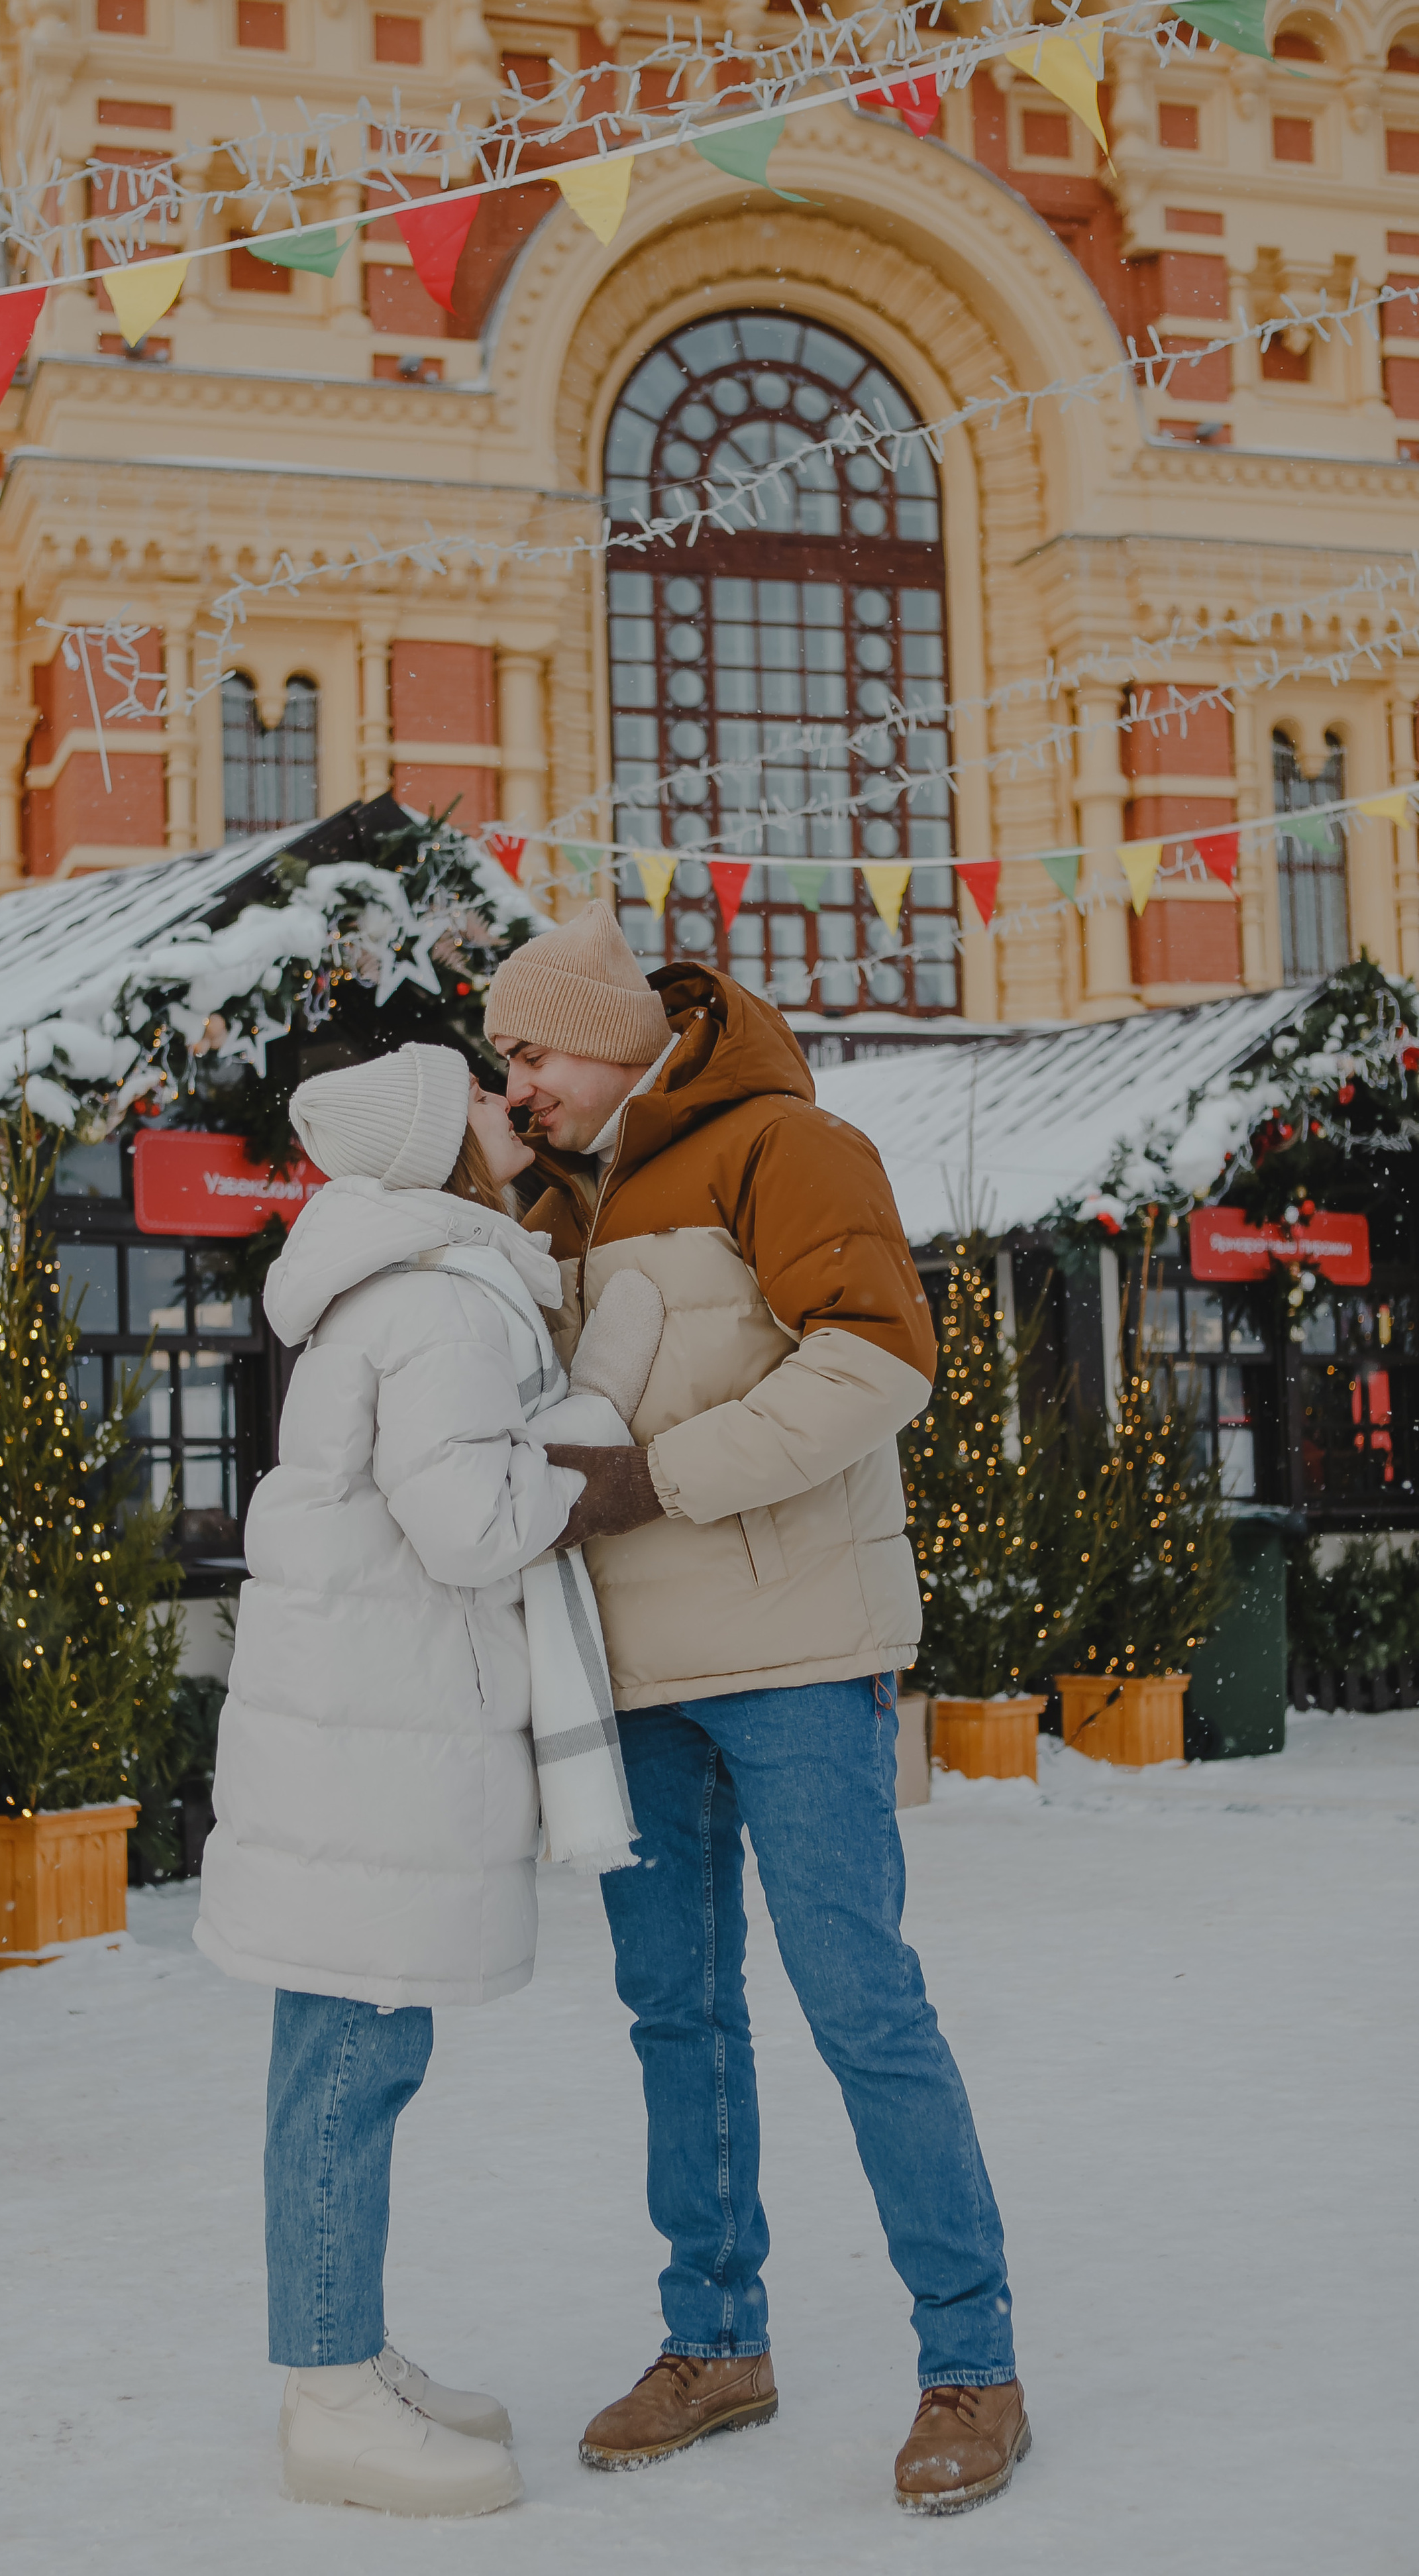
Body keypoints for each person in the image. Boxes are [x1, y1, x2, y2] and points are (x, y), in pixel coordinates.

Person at [481, 902, 1030, 2518]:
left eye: (529, 1050)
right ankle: (713, 2343)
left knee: (860, 2007)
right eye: (499, 1060)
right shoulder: (558, 1200)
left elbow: (877, 1360)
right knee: (677, 2018)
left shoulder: (786, 1144)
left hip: (793, 1653)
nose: (513, 1084)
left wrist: (654, 1480)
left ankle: (971, 2367)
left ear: (612, 1026)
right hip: (635, 1676)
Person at [194, 1040, 660, 2518]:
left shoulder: (382, 1283)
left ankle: (346, 2350)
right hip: (377, 1748)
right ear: (426, 1151)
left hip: (355, 1736)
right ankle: (329, 2392)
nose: (504, 1105)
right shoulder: (443, 1300)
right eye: (474, 1094)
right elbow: (469, 1525)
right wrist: (588, 1451)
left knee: (342, 2056)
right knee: (350, 2067)